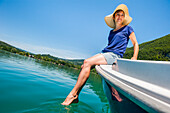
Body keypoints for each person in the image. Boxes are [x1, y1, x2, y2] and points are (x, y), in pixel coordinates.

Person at [61, 4, 139, 105]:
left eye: (122, 15)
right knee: (84, 65)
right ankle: (76, 96)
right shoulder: (111, 32)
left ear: (124, 18)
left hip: (115, 56)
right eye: (118, 15)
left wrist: (134, 57)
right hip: (106, 54)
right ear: (114, 17)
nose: (120, 17)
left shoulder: (128, 28)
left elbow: (135, 43)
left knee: (87, 62)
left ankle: (73, 95)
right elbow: (109, 47)